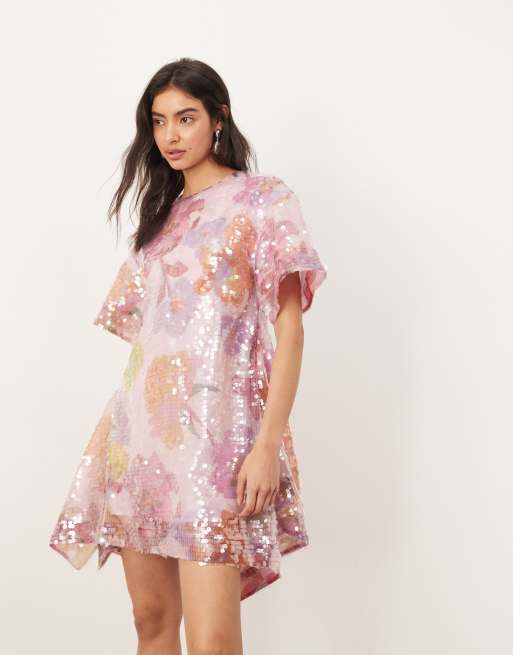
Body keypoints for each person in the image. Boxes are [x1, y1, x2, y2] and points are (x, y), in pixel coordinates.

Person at [49, 57, 328, 655]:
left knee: (212, 641)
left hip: (217, 447)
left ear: (218, 118)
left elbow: (290, 329)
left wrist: (267, 445)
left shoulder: (262, 199)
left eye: (186, 118)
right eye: (159, 122)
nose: (170, 135)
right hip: (138, 446)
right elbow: (150, 347)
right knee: (151, 620)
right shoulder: (161, 221)